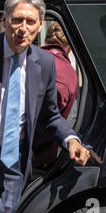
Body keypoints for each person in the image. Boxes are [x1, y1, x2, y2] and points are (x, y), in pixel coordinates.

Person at [0, 0, 90, 213]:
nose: (23, 28)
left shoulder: (45, 63)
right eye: (17, 20)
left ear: (41, 25)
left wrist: (71, 139)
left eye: (30, 21)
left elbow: (50, 115)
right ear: (4, 20)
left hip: (15, 159)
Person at [33, 21, 79, 168]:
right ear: (70, 47)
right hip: (40, 156)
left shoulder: (29, 58)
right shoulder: (68, 73)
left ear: (46, 41)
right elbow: (50, 115)